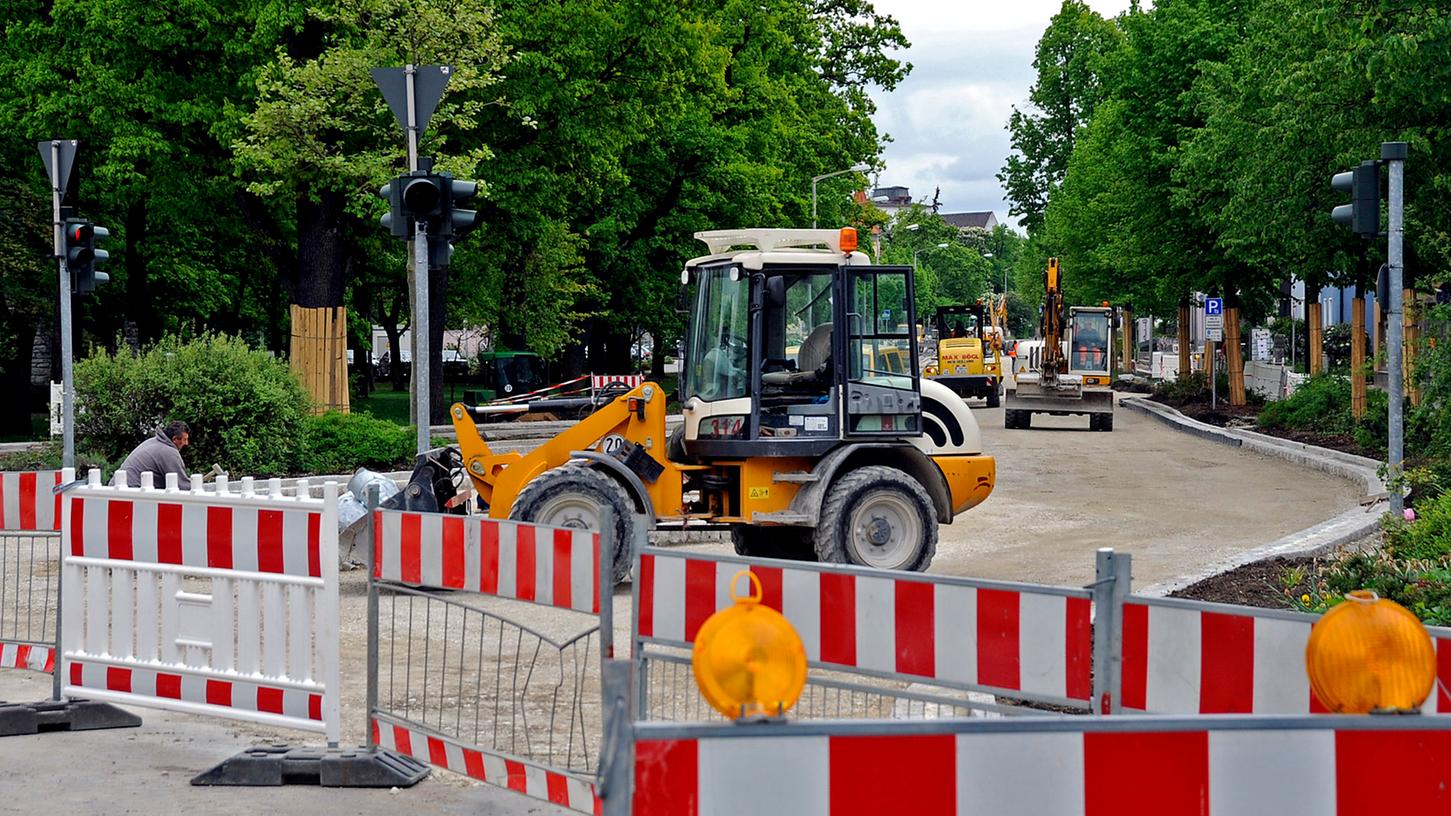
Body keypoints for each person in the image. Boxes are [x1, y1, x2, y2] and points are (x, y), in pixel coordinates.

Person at [117, 421, 192, 489]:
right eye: (184, 439)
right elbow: (182, 485)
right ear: (175, 439)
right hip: (132, 493)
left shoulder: (153, 441)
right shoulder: (168, 452)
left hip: (117, 489)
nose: (186, 443)